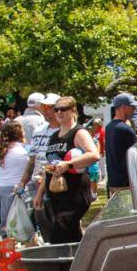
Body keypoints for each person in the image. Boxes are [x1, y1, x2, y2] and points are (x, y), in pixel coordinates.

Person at [33, 96, 99, 243]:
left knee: (58, 236)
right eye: (56, 109)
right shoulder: (54, 136)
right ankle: (80, 263)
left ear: (73, 110)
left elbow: (94, 154)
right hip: (56, 195)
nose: (59, 112)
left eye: (63, 109)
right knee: (71, 237)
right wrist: (39, 193)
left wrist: (68, 164)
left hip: (74, 195)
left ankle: (62, 266)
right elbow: (48, 168)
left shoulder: (78, 132)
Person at [0, 121, 27, 237]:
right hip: (16, 192)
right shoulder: (22, 152)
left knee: (6, 233)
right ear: (20, 134)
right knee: (20, 230)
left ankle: (8, 253)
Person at [104, 92, 137, 197]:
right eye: (132, 106)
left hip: (113, 181)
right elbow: (136, 157)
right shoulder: (126, 129)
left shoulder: (109, 127)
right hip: (126, 183)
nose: (135, 110)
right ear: (124, 107)